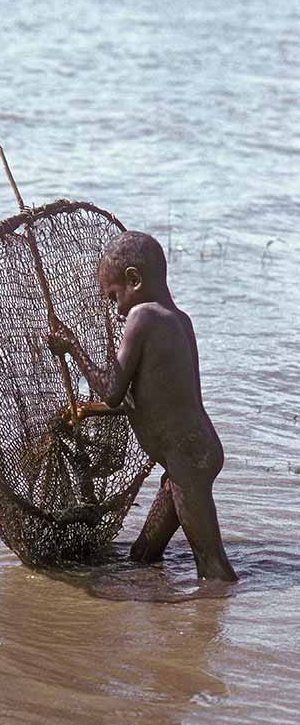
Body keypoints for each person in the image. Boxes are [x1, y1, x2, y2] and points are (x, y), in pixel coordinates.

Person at [48, 231, 237, 582]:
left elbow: (112, 392)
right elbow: (153, 398)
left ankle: (215, 630)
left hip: (187, 462)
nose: (116, 310)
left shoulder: (142, 317)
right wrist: (89, 409)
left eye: (114, 297)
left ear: (134, 280)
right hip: (193, 456)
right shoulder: (180, 320)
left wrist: (71, 347)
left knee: (213, 569)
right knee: (142, 556)